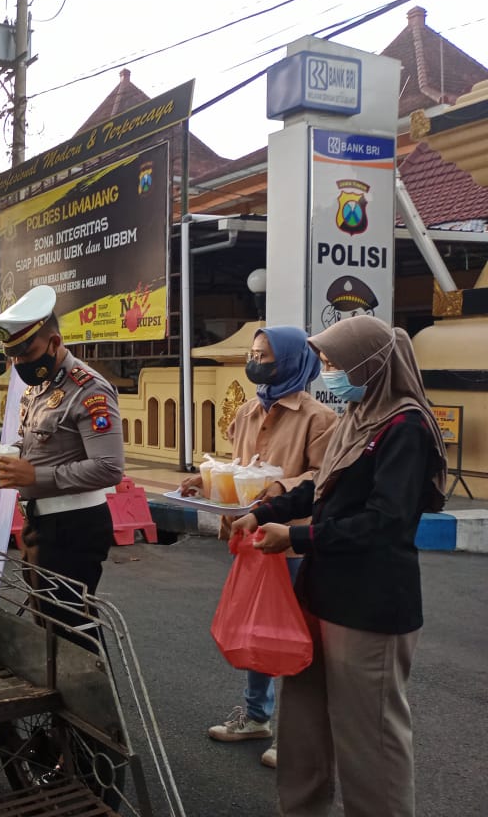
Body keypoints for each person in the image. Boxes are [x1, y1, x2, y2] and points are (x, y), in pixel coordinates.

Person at [231, 316, 447, 817]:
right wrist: (263, 512)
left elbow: (385, 522)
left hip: (369, 607)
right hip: (321, 594)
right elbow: (320, 488)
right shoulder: (357, 413)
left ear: (369, 365)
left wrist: (300, 536)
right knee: (303, 728)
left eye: (333, 364)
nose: (327, 373)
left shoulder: (405, 426)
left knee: (369, 740)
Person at [180, 326, 337, 769]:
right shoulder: (250, 410)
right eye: (252, 354)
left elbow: (323, 479)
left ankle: (297, 732)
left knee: (296, 635)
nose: (256, 363)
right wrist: (204, 479)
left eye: (264, 356)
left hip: (292, 541)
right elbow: (237, 465)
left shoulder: (317, 418)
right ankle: (255, 715)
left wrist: (278, 487)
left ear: (289, 360)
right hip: (251, 536)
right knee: (258, 628)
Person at [0, 285, 124, 638]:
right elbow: (36, 443)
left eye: (27, 352)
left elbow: (109, 467)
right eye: (12, 356)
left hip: (75, 526)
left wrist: (35, 475)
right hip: (41, 525)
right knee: (46, 627)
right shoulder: (39, 388)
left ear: (54, 342)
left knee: (73, 632)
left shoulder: (89, 389)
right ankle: (61, 694)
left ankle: (95, 694)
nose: (20, 364)